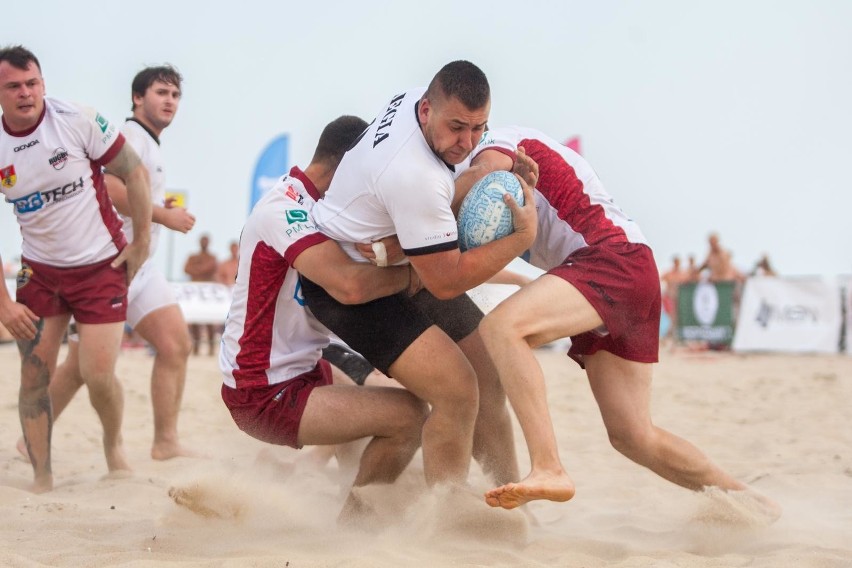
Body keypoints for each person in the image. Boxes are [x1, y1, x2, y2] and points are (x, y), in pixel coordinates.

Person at [454, 125, 779, 518]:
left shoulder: (495, 144)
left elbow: (484, 170)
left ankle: (549, 467)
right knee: (633, 435)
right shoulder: (485, 183)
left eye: (465, 128)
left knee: (502, 327)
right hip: (625, 266)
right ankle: (751, 503)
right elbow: (463, 266)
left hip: (610, 258)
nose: (460, 139)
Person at [303, 61, 538, 489]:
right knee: (458, 391)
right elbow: (446, 280)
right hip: (350, 285)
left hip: (401, 258)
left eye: (478, 128)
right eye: (457, 128)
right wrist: (522, 236)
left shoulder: (418, 101)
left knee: (489, 376)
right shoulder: (413, 177)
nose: (466, 142)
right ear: (428, 110)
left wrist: (497, 176)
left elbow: (451, 191)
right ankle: (441, 523)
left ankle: (507, 499)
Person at [217, 115, 428, 521]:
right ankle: (354, 530)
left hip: (307, 367)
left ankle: (338, 494)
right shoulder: (284, 208)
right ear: (349, 164)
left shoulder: (323, 206)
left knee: (375, 401)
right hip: (261, 389)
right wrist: (414, 276)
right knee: (408, 417)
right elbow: (349, 285)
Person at [0, 45, 152, 492]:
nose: (25, 93)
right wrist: (5, 304)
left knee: (98, 373)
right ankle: (42, 477)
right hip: (40, 271)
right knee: (33, 377)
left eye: (32, 83)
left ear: (43, 84)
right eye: (13, 86)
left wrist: (141, 241)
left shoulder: (75, 118)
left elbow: (136, 173)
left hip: (100, 265)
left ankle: (114, 447)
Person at [43, 64, 197, 462]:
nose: (169, 101)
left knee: (176, 345)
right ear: (137, 98)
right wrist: (166, 217)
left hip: (141, 268)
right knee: (80, 366)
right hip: (110, 265)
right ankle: (33, 438)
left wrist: (157, 214)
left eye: (175, 95)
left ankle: (166, 442)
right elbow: (109, 188)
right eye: (161, 93)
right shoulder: (130, 136)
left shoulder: (149, 142)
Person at [183, 233, 218, 355]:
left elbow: (212, 268)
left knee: (209, 320)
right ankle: (196, 347)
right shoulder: (193, 257)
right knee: (195, 321)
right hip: (195, 292)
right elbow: (186, 269)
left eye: (206, 240)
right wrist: (202, 269)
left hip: (207, 293)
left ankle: (211, 348)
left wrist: (197, 269)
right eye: (202, 240)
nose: (204, 243)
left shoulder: (212, 258)